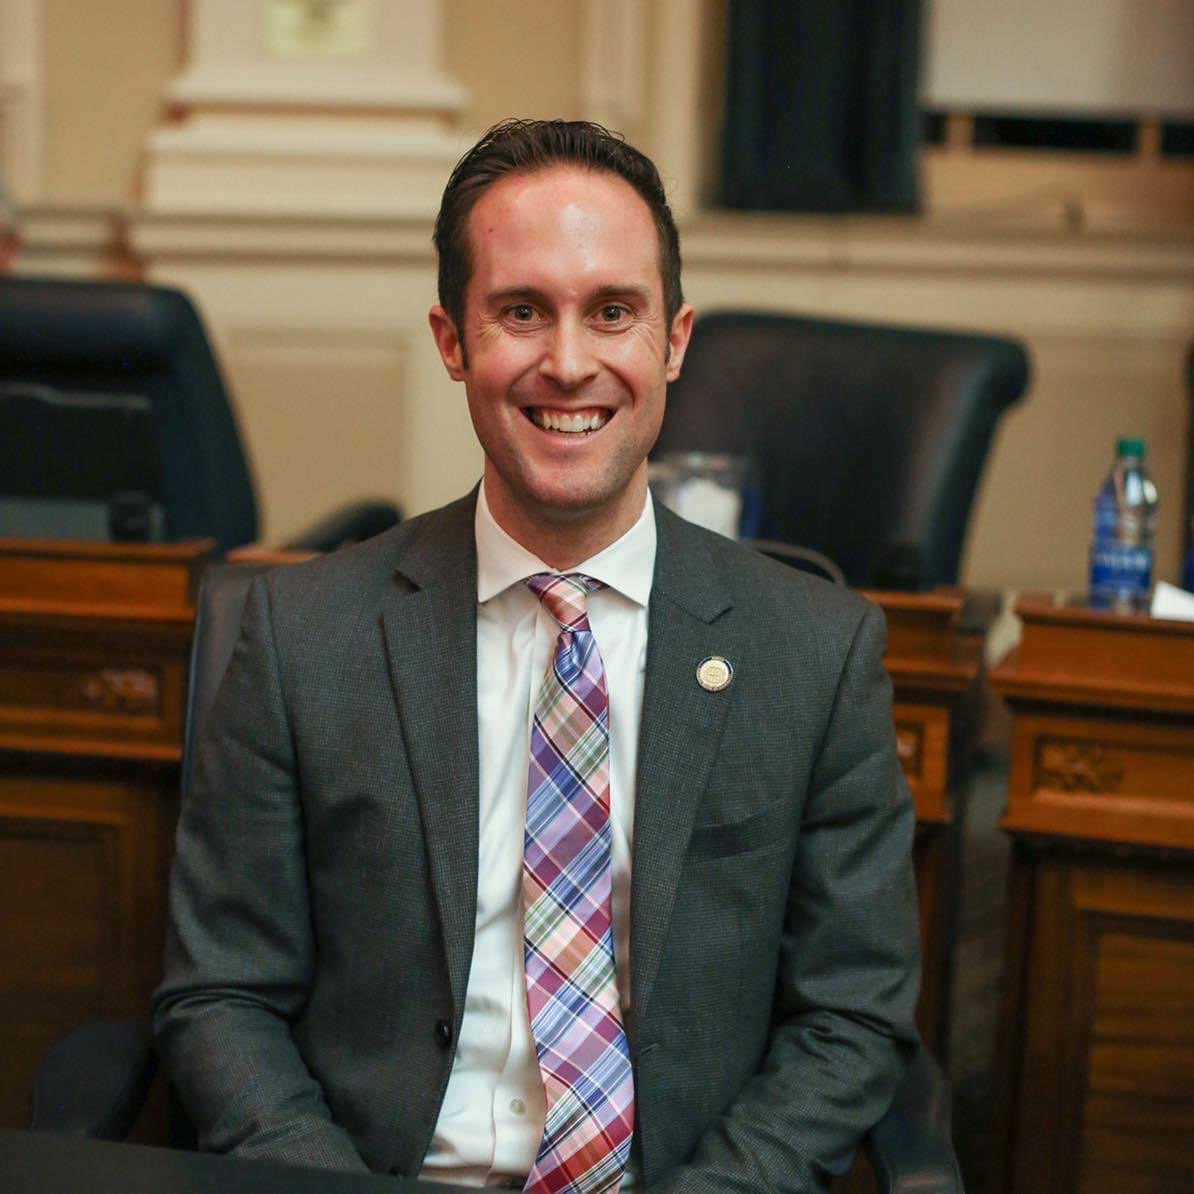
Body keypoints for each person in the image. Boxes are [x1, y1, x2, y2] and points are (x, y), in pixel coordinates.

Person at [153, 119, 920, 1193]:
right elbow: (221, 997)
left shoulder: (816, 654)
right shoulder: (304, 638)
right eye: (521, 312)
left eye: (612, 312)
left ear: (674, 341)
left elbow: (851, 1015)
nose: (568, 363)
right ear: (452, 341)